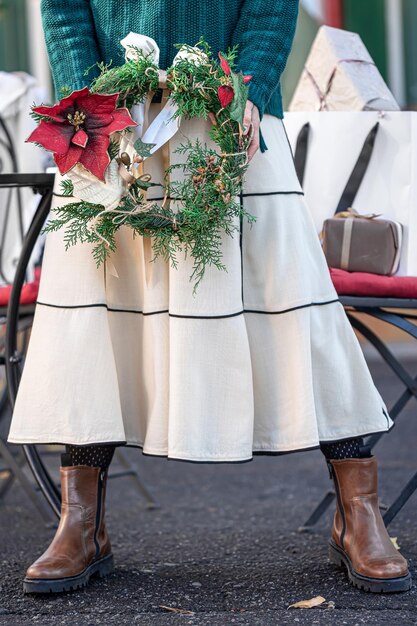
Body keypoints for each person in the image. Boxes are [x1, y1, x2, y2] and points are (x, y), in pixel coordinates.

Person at [8, 0, 411, 595]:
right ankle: (82, 522)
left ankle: (359, 512)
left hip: (230, 117)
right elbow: (65, 11)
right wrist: (90, 101)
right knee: (98, 318)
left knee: (295, 306)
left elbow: (271, 7)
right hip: (110, 122)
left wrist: (247, 87)